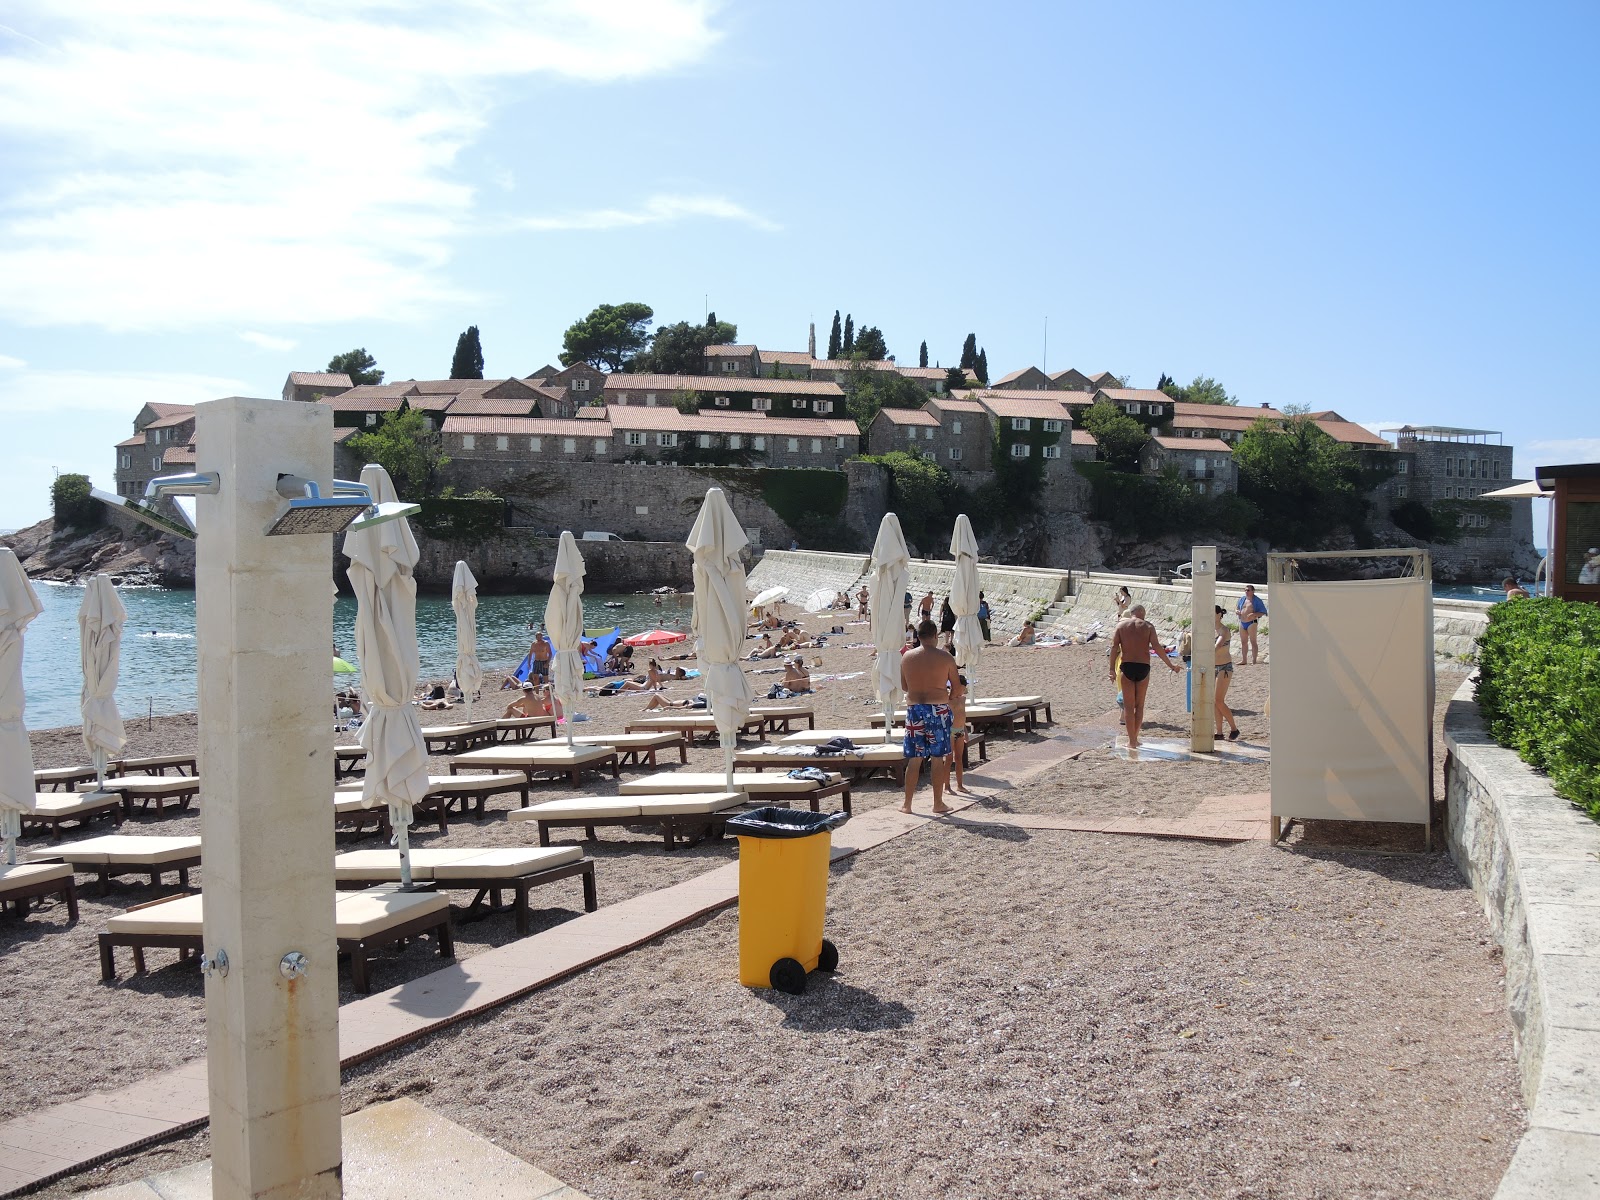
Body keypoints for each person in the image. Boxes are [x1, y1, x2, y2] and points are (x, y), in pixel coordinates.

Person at [900, 619, 961, 815]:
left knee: (914, 759)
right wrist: (948, 698)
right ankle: (937, 803)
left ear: (917, 637)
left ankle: (907, 805)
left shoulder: (907, 657)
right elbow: (957, 687)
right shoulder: (945, 658)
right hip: (938, 709)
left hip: (915, 709)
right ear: (935, 636)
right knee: (937, 757)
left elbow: (904, 687)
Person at [1109, 604, 1181, 749]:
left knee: (1129, 708)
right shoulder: (1148, 627)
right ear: (1143, 613)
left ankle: (1132, 742)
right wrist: (1171, 666)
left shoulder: (1121, 626)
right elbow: (1157, 648)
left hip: (1127, 665)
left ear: (1132, 613)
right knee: (1139, 706)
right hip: (1143, 667)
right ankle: (1135, 738)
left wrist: (1111, 669)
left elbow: (1114, 648)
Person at [1212, 606, 1240, 741]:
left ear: (1219, 615)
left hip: (1224, 667)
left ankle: (1234, 728)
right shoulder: (1209, 631)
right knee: (1214, 701)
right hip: (1212, 667)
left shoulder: (1224, 630)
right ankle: (1219, 732)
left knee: (1219, 700)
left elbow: (1217, 647)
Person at [947, 672, 970, 795]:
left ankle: (960, 785)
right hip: (950, 731)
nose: (963, 690)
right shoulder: (947, 700)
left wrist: (965, 731)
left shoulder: (962, 699)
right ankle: (947, 786)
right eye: (962, 688)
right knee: (949, 759)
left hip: (959, 730)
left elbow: (963, 716)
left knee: (959, 758)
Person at [1235, 584, 1267, 664]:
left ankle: (1254, 660)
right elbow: (1237, 608)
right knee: (1243, 642)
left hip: (1251, 623)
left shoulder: (1257, 600)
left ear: (1253, 591)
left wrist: (1254, 614)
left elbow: (1263, 612)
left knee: (1253, 641)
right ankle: (1244, 660)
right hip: (1242, 622)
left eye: (1248, 590)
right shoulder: (1242, 599)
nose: (1246, 592)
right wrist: (1237, 611)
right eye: (1245, 590)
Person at [642, 691, 708, 711]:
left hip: (670, 704)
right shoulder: (705, 699)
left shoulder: (704, 703)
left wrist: (671, 708)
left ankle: (646, 709)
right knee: (658, 695)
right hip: (672, 702)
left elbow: (687, 707)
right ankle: (648, 708)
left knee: (656, 695)